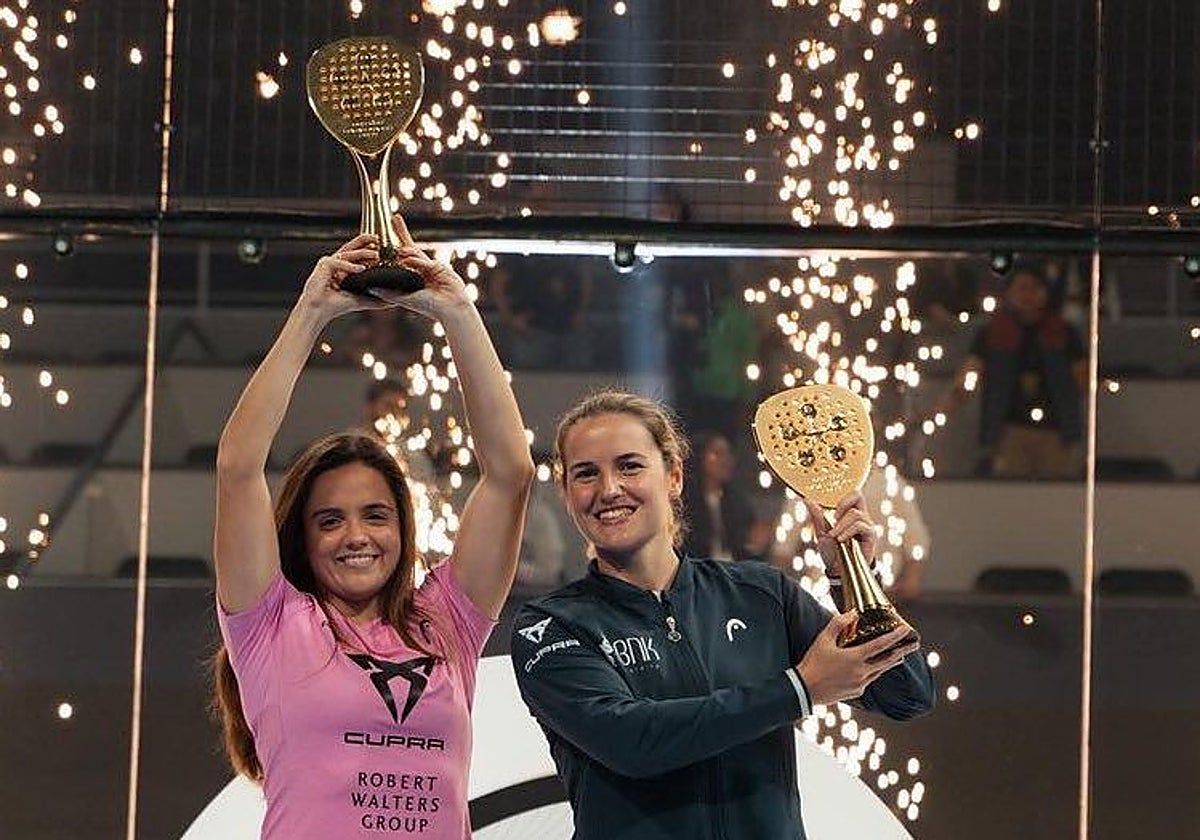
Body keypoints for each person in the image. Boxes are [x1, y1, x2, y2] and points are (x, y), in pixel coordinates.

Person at [211, 216, 534, 839]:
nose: (356, 536)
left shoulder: (447, 621)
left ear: (404, 528)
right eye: (329, 520)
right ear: (302, 538)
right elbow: (237, 467)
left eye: (376, 515)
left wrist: (456, 311)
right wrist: (312, 311)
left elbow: (510, 474)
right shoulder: (271, 624)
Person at [510, 391, 934, 840]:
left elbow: (906, 694)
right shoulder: (552, 626)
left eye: (630, 466)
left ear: (674, 476)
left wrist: (854, 579)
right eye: (586, 473)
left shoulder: (760, 594)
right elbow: (632, 741)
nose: (609, 489)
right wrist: (799, 688)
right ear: (565, 492)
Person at [931, 262, 1087, 478]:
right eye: (1022, 288)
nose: (1028, 295)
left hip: (1056, 432)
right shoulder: (993, 332)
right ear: (1009, 293)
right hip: (1009, 431)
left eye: (1034, 288)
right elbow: (970, 373)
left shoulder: (1063, 333)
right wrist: (945, 406)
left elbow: (1083, 378)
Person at [680, 431, 770, 562]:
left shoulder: (737, 502)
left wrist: (755, 543)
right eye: (718, 453)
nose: (726, 460)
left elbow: (746, 545)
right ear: (700, 457)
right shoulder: (686, 502)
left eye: (728, 454)